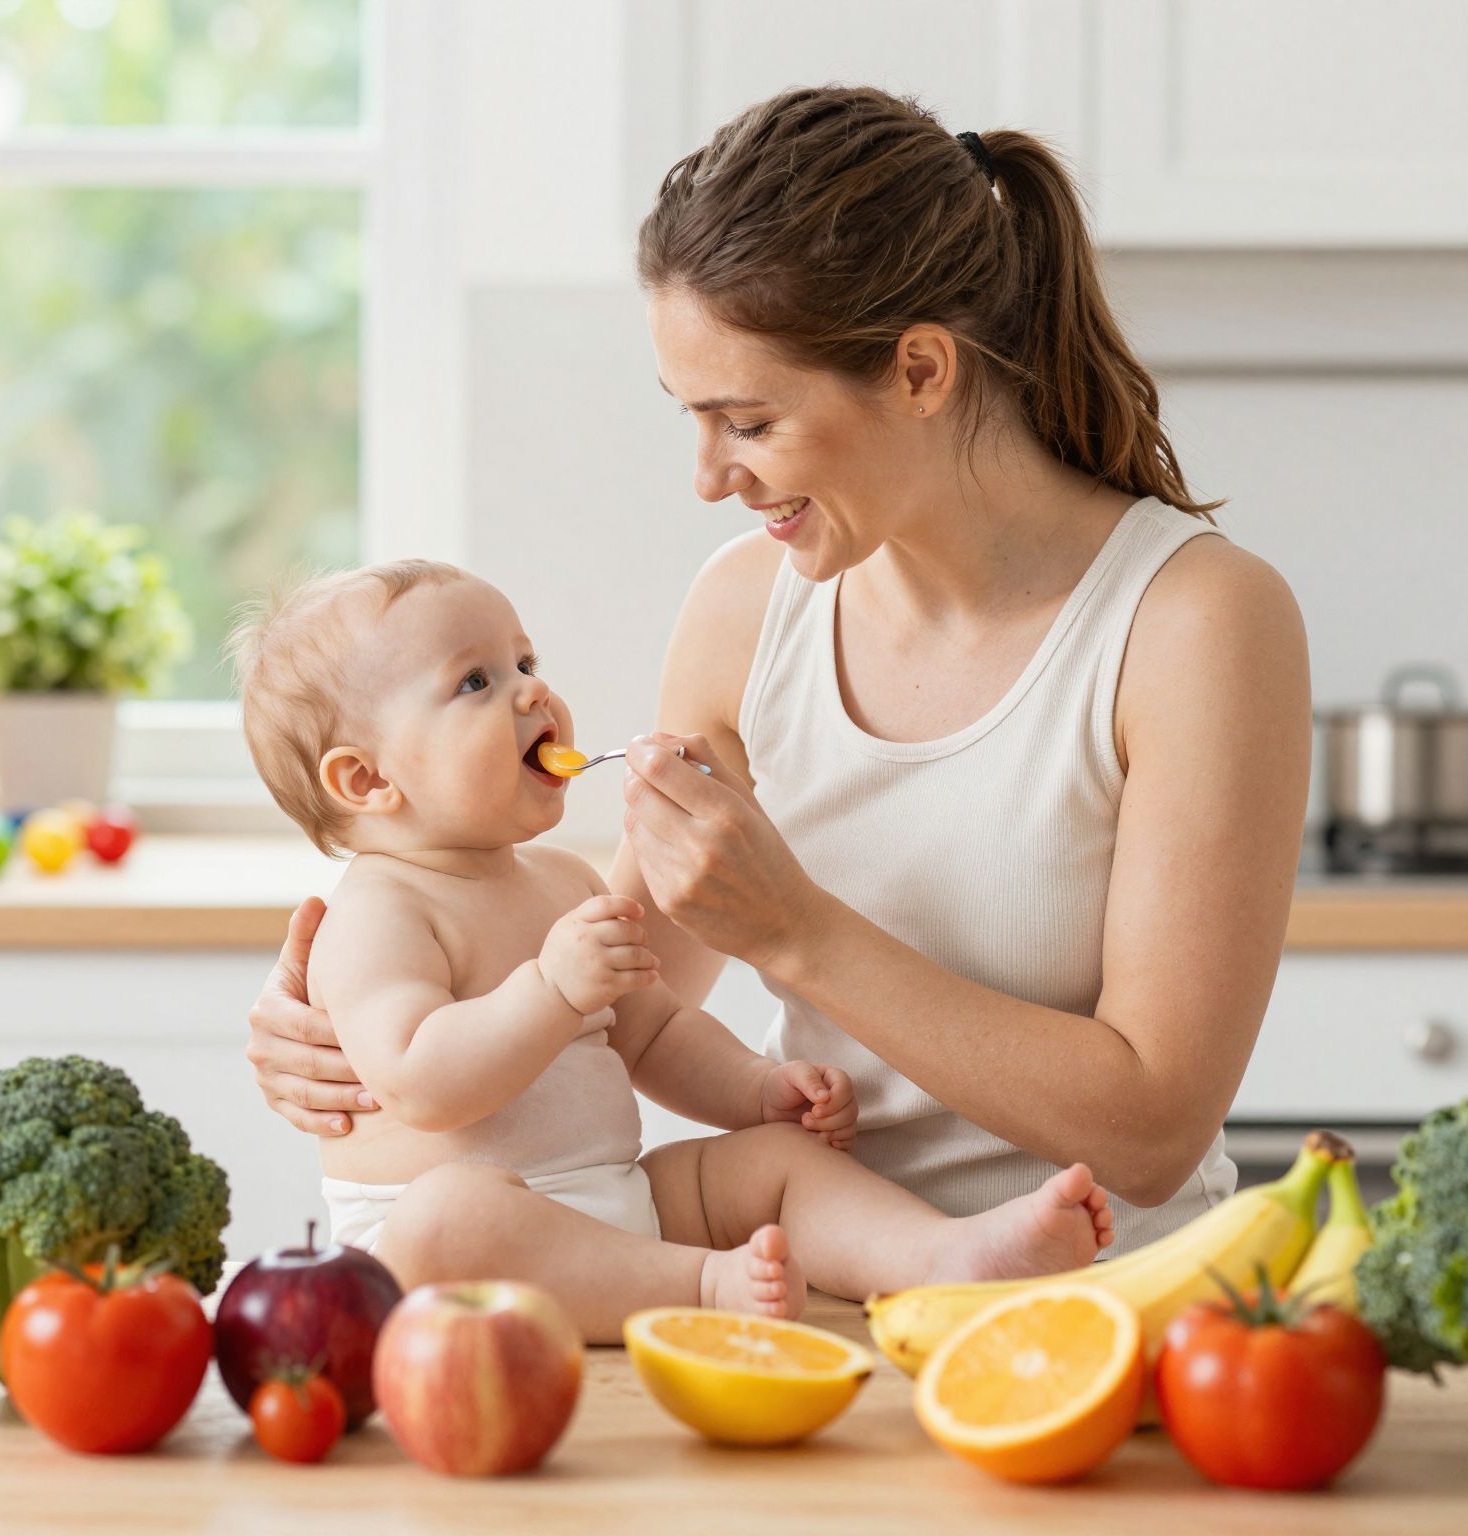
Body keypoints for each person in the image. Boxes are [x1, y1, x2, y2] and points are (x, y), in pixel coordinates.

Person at [246, 84, 1310, 1260]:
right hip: (820, 1301)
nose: (708, 476)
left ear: (917, 371)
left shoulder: (1195, 621)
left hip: (1107, 1309)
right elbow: (624, 988)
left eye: (747, 424)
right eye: (690, 419)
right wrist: (348, 1023)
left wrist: (802, 933)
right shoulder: (745, 609)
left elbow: (1152, 1129)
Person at [229, 559, 1114, 1338]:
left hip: (620, 1204)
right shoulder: (376, 913)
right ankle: (700, 1286)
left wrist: (754, 1092)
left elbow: (650, 1033)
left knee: (774, 1168)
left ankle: (944, 1259)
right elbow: (421, 1083)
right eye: (475, 683)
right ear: (367, 779)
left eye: (526, 664)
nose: (534, 692)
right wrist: (551, 989)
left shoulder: (560, 882)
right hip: (459, 1256)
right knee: (451, 1214)